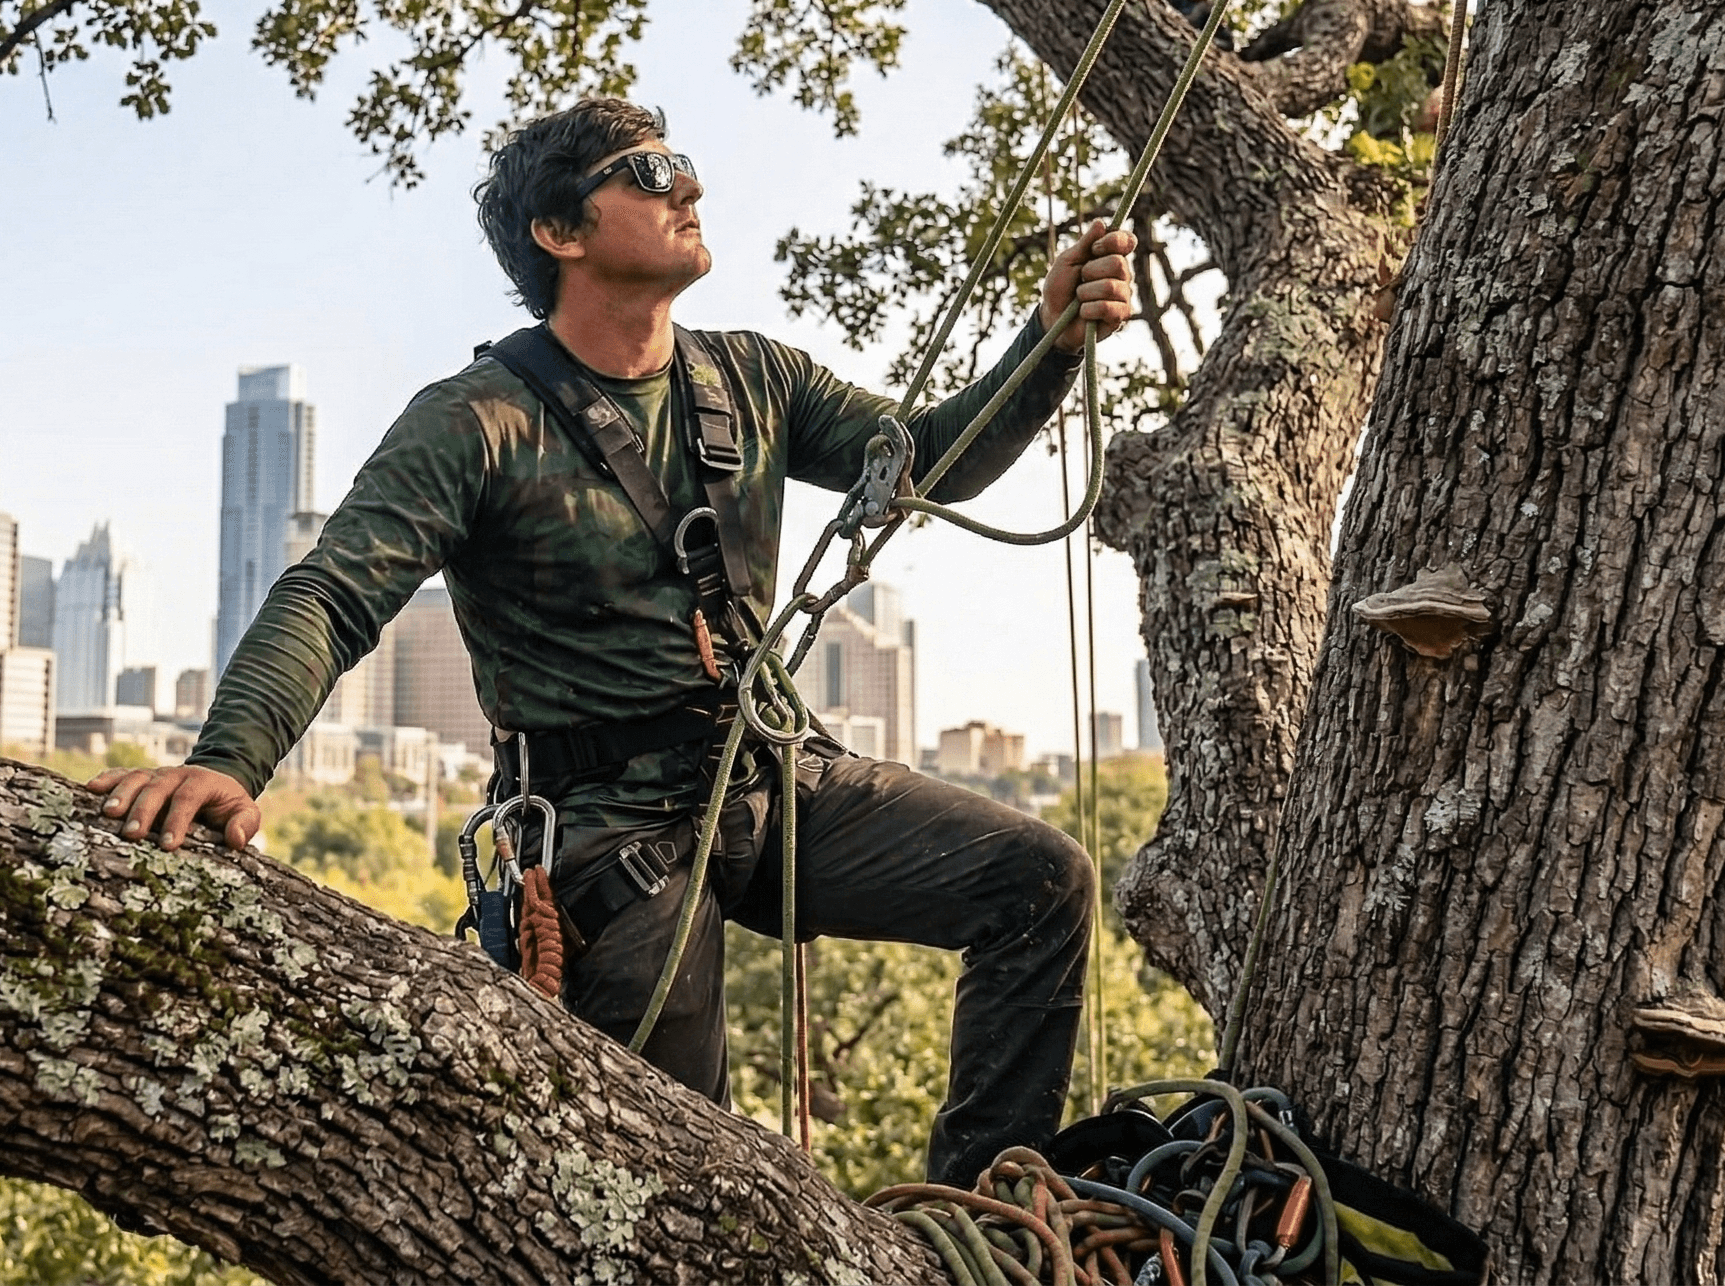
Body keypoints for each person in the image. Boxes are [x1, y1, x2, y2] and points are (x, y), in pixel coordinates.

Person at [84, 98, 1138, 1187]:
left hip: (769, 776)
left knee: (1041, 881)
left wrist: (1049, 342)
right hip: (602, 834)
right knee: (699, 1172)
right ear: (562, 233)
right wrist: (227, 760)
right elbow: (335, 592)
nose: (690, 188)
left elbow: (930, 458)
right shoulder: (474, 421)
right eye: (653, 172)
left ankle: (978, 1217)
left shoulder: (755, 380)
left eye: (687, 167)